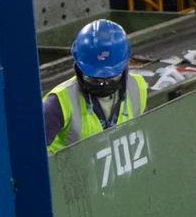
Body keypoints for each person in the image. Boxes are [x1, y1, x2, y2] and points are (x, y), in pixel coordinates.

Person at [43, 19, 150, 153]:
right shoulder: (58, 102)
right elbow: (33, 154)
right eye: (95, 79)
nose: (103, 84)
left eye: (111, 78)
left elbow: (143, 133)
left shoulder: (136, 87)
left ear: (126, 64)